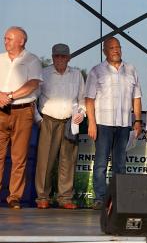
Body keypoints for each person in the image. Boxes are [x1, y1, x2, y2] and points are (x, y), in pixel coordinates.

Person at [85, 37, 143, 209]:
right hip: (103, 124)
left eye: (118, 47)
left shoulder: (131, 70)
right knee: (101, 163)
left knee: (120, 164)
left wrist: (137, 120)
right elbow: (89, 99)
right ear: (104, 51)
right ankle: (100, 198)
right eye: (111, 48)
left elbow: (137, 98)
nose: (116, 50)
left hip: (124, 124)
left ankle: (118, 200)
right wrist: (91, 123)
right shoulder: (96, 71)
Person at [35, 43, 85, 209]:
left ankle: (65, 198)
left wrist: (81, 113)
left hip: (70, 121)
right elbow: (33, 97)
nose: (60, 59)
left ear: (69, 58)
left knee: (68, 161)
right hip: (48, 120)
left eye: (63, 56)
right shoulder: (44, 73)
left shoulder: (77, 74)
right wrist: (38, 119)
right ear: (52, 57)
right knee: (45, 161)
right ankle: (42, 197)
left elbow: (82, 99)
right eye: (57, 56)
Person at [0, 26, 43, 209]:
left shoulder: (32, 60)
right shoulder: (0, 59)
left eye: (9, 38)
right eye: (5, 38)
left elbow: (32, 84)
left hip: (23, 111)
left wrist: (9, 96)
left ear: (21, 41)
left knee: (19, 157)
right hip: (1, 111)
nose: (5, 41)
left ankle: (14, 197)